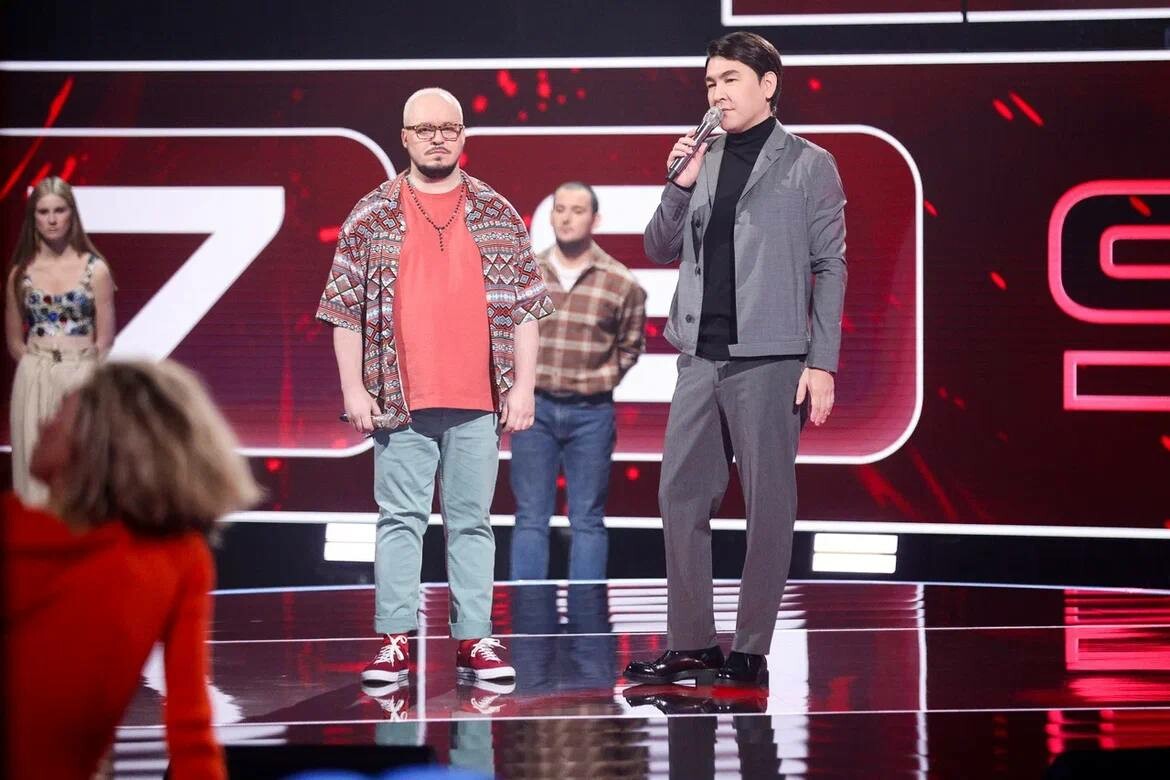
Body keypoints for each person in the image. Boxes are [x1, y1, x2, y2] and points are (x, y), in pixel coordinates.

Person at [625, 31, 847, 688]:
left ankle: (750, 649)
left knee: (768, 504)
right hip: (700, 355)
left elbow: (830, 266)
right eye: (710, 83)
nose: (717, 94)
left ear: (768, 85)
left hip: (771, 359)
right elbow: (658, 245)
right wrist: (679, 182)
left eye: (730, 80)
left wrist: (822, 362)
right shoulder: (706, 157)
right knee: (681, 497)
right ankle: (693, 643)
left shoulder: (809, 164)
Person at [316, 88, 554, 688]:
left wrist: (524, 387)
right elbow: (344, 312)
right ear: (405, 137)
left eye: (448, 128)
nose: (437, 138)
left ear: (463, 135)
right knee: (400, 520)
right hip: (399, 401)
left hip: (478, 400)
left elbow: (527, 309)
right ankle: (395, 641)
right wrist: (353, 389)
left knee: (472, 523)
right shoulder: (371, 214)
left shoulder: (497, 212)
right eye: (425, 129)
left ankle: (474, 640)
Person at [3, 359, 261, 780]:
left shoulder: (178, 558)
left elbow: (190, 727)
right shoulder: (180, 557)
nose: (43, 423)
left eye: (61, 414)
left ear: (99, 444)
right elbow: (192, 732)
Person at [509, 182, 646, 581]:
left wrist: (599, 379)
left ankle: (587, 613)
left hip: (591, 413)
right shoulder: (527, 274)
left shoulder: (619, 281)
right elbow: (505, 335)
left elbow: (630, 345)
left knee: (587, 519)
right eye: (560, 209)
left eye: (577, 210)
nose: (566, 218)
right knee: (530, 517)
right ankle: (527, 610)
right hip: (534, 410)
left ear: (595, 220)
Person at [5, 175, 115, 505]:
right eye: (43, 212)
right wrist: (35, 368)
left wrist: (83, 376)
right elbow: (14, 340)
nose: (52, 220)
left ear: (72, 214)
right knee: (32, 473)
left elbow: (105, 340)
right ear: (33, 218)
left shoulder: (96, 269)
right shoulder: (20, 273)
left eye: (59, 210)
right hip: (34, 376)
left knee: (79, 474)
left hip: (80, 374)